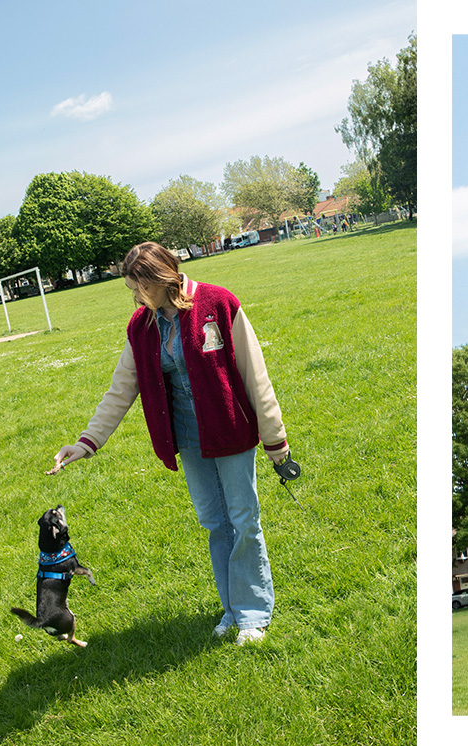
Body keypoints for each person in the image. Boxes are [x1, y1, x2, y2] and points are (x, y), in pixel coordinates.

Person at [49, 241, 290, 645]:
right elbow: (121, 388)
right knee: (216, 524)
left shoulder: (218, 303)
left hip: (231, 433)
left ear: (159, 279)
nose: (134, 296)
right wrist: (86, 442)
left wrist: (275, 439)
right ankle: (232, 609)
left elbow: (255, 374)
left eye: (137, 287)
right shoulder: (140, 327)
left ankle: (253, 614)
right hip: (189, 440)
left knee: (243, 519)